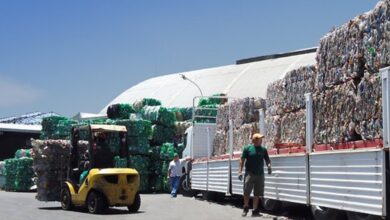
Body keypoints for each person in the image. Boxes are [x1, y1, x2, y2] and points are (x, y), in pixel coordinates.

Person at [238, 133, 271, 217]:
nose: (261, 140)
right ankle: (245, 208)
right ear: (255, 140)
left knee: (257, 193)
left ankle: (255, 210)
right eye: (260, 139)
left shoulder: (263, 149)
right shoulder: (248, 148)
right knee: (246, 191)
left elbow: (267, 159)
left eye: (261, 139)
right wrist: (240, 171)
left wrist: (269, 165)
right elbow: (242, 160)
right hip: (250, 173)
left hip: (260, 174)